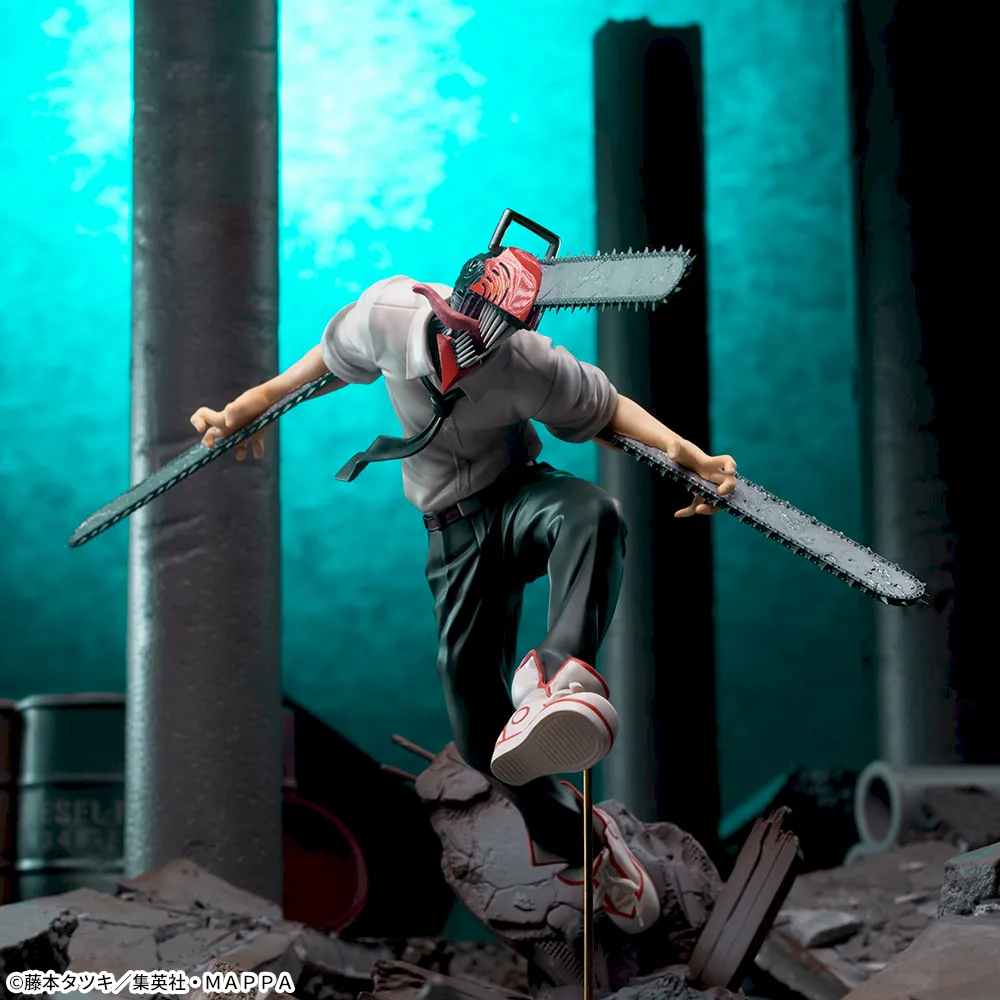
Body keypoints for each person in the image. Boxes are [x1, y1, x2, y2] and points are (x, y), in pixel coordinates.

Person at [191, 256, 736, 934]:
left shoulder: (528, 362)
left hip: (519, 498)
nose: (476, 359)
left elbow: (608, 411)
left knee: (593, 513)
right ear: (447, 311)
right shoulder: (388, 314)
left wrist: (687, 455)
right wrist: (251, 406)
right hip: (451, 531)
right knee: (481, 735)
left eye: (495, 346)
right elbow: (331, 360)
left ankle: (555, 674)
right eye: (468, 342)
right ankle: (589, 849)